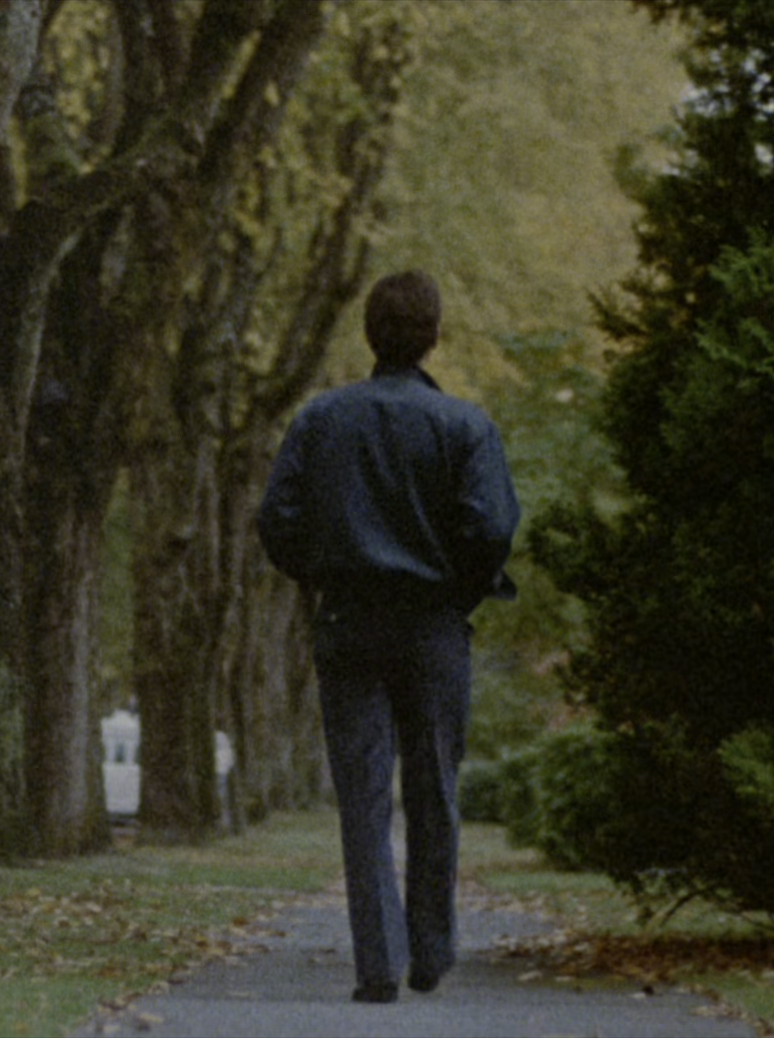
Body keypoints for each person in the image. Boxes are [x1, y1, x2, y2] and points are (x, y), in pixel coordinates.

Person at [256, 270, 519, 1004]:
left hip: (349, 619)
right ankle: (430, 948)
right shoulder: (465, 426)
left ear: (369, 334)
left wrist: (320, 573)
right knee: (434, 787)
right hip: (433, 623)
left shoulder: (321, 420)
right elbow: (492, 527)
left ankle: (377, 962)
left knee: (363, 797)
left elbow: (277, 519)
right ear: (433, 337)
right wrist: (459, 587)